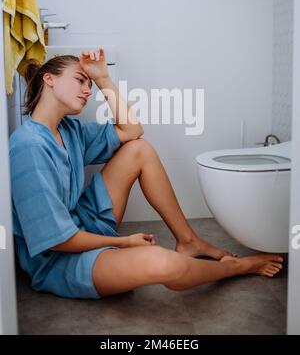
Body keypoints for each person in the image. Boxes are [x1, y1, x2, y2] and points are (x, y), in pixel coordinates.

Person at [9, 47, 283, 300]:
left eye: (90, 85)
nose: (88, 90)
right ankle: (236, 267)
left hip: (81, 222)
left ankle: (188, 240)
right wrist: (123, 242)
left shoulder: (69, 129)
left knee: (139, 149)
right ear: (49, 79)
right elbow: (58, 240)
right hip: (58, 257)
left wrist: (103, 78)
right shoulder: (29, 146)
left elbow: (132, 131)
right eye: (81, 80)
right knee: (162, 263)